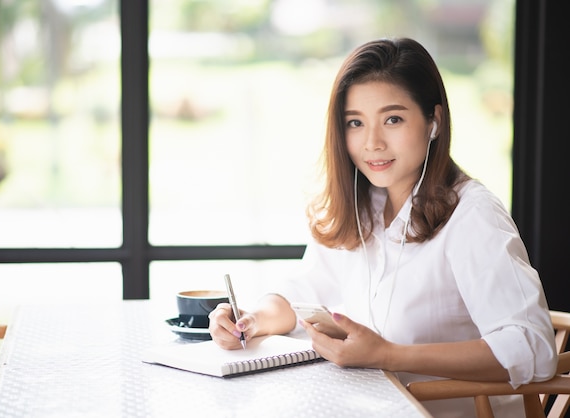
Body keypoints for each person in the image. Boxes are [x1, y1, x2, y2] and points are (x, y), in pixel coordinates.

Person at [208, 37, 557, 418]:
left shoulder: (473, 215)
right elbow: (301, 292)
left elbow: (532, 348)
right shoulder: (363, 205)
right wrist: (252, 320)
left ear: (433, 122)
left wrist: (386, 354)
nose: (372, 143)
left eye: (393, 119)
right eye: (355, 123)